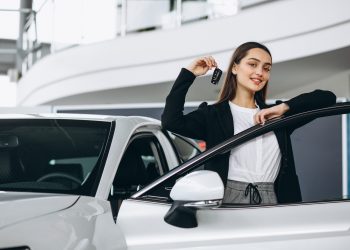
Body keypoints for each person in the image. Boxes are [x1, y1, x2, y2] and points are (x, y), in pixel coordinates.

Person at [161, 42, 337, 205]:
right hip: (227, 198)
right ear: (235, 68)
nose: (260, 72)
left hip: (275, 198)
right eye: (253, 64)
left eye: (266, 68)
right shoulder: (213, 115)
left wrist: (284, 107)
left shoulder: (276, 115)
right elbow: (171, 121)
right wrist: (188, 73)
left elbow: (327, 98)